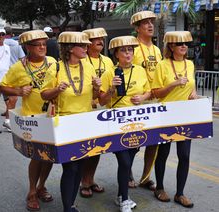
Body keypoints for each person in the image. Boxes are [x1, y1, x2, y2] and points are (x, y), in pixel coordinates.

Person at [40, 31, 101, 212]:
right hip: (65, 123)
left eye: (86, 45)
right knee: (71, 168)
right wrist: (57, 90)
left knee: (80, 166)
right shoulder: (56, 68)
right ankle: (68, 208)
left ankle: (72, 204)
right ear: (70, 49)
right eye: (82, 46)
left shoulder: (88, 66)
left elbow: (95, 96)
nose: (86, 48)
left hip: (85, 121)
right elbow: (44, 94)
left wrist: (97, 88)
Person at [0, 30, 56, 211]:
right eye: (37, 45)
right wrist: (18, 92)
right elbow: (2, 87)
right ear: (27, 48)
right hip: (32, 118)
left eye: (44, 44)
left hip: (53, 116)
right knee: (37, 157)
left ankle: (41, 187)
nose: (42, 47)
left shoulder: (53, 62)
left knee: (50, 157)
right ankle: (32, 191)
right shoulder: (19, 67)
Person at [99, 35, 151, 212]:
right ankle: (124, 199)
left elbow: (148, 91)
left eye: (130, 50)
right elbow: (101, 101)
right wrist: (112, 88)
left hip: (136, 122)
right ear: (116, 54)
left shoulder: (140, 70)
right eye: (123, 50)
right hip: (116, 122)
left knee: (128, 159)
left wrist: (142, 97)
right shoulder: (109, 73)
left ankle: (121, 196)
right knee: (124, 161)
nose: (127, 53)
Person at [152, 31, 197, 208]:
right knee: (163, 154)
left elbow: (191, 86)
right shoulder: (162, 66)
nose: (184, 46)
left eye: (186, 43)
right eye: (180, 44)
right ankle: (160, 188)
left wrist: (193, 92)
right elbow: (156, 92)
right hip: (166, 114)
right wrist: (173, 84)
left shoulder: (190, 64)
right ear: (171, 46)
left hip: (186, 115)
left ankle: (180, 193)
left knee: (184, 155)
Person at [79, 27, 114, 198]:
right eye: (96, 39)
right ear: (88, 43)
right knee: (85, 148)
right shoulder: (81, 60)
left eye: (102, 38)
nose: (100, 41)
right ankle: (83, 182)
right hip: (85, 109)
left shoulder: (107, 60)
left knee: (98, 148)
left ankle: (90, 179)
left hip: (103, 108)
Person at [130, 10, 162, 190]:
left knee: (153, 142)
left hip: (154, 101)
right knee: (133, 142)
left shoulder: (157, 50)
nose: (150, 25)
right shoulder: (131, 47)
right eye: (145, 23)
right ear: (137, 28)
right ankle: (127, 173)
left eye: (152, 22)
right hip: (137, 101)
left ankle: (146, 177)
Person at [0, 26, 26, 117]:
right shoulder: (16, 44)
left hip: (3, 72)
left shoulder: (1, 43)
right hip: (15, 72)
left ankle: (8, 113)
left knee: (6, 93)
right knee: (13, 95)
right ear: (11, 34)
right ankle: (9, 113)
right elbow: (23, 59)